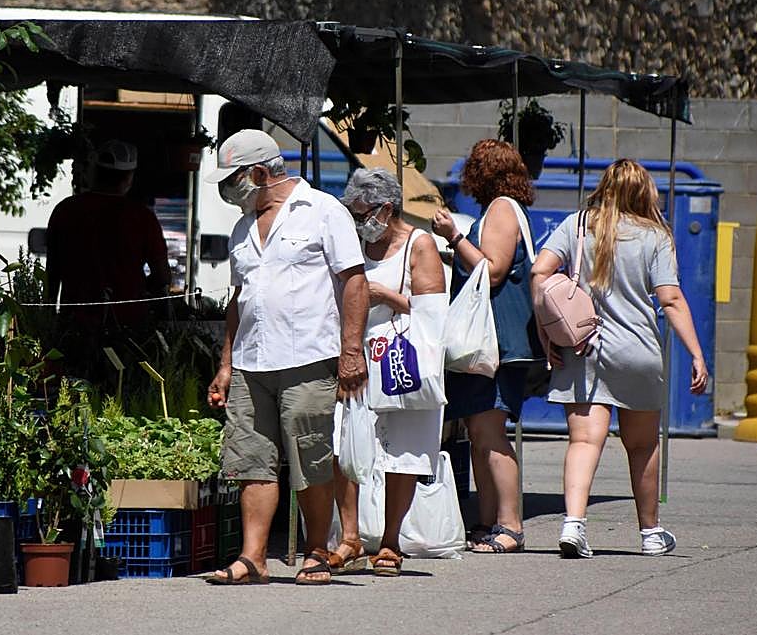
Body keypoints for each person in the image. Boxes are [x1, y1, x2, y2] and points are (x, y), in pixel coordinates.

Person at [203, 129, 368, 586]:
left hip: (308, 358)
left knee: (311, 458)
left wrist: (351, 351)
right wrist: (226, 362)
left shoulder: (323, 211)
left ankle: (317, 550)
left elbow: (355, 282)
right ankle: (253, 557)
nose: (227, 188)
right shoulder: (242, 227)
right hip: (252, 363)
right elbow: (239, 298)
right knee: (250, 459)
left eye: (233, 177)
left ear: (260, 172)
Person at [531, 158, 709, 559]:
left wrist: (546, 329)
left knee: (583, 440)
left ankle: (573, 524)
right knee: (642, 445)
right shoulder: (655, 236)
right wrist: (696, 354)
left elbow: (540, 272)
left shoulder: (578, 225)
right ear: (643, 191)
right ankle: (650, 533)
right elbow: (671, 298)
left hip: (584, 348)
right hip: (638, 351)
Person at [330, 168, 447, 577]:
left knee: (404, 452)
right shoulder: (352, 244)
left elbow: (433, 313)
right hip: (356, 356)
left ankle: (390, 542)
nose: (361, 222)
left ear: (387, 208)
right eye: (354, 214)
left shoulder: (419, 245)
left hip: (402, 361)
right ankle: (349, 539)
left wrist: (384, 295)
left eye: (364, 214)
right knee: (345, 444)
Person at [432, 139, 544, 554]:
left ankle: (509, 525)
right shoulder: (501, 208)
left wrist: (454, 235)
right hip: (490, 344)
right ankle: (486, 521)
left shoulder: (501, 208)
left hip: (496, 344)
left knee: (491, 432)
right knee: (480, 432)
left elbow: (493, 270)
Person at [45, 139, 170, 332]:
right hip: (129, 326)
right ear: (129, 177)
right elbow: (162, 277)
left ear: (94, 172)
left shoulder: (66, 211)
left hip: (75, 325)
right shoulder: (142, 217)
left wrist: (48, 322)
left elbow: (52, 276)